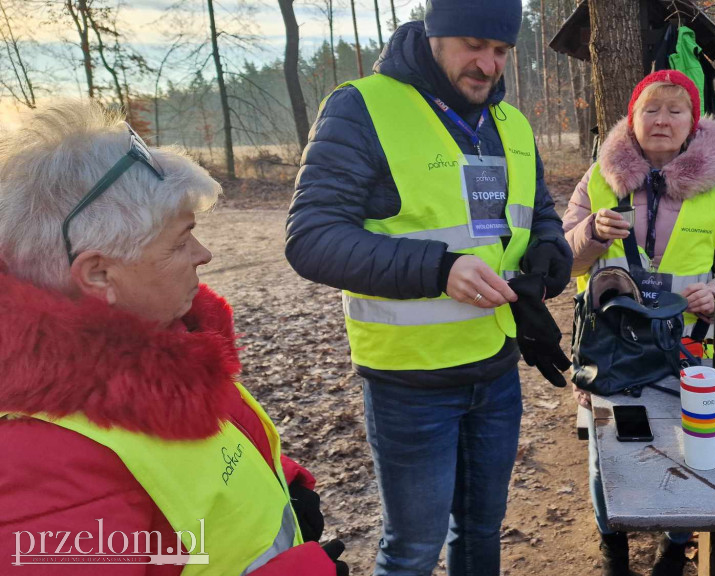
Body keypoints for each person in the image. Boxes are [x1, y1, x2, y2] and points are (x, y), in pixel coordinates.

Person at [285, 0, 573, 574]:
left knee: (481, 531)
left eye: (501, 51)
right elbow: (311, 238)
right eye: (473, 45)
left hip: (495, 370)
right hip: (409, 385)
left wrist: (550, 253)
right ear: (433, 33)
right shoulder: (362, 108)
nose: (488, 66)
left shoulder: (509, 123)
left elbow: (539, 212)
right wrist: (440, 269)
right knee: (414, 549)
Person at [0, 102, 345, 575]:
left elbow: (197, 469)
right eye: (180, 241)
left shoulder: (164, 345)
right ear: (99, 274)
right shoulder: (42, 467)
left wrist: (281, 480)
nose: (204, 255)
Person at [562, 70, 715, 576]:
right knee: (607, 455)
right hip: (608, 349)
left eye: (676, 110)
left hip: (686, 347)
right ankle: (614, 548)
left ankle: (676, 543)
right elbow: (562, 260)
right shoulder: (599, 178)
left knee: (690, 444)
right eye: (651, 108)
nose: (662, 120)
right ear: (633, 117)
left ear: (693, 123)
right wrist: (589, 232)